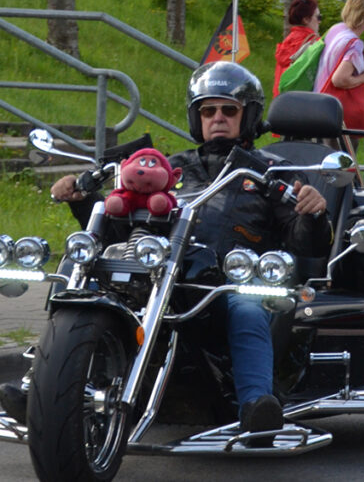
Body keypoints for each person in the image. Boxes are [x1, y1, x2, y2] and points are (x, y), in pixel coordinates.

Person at [3, 62, 332, 444]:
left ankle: (256, 406)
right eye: (209, 111)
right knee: (82, 269)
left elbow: (304, 246)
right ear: (197, 117)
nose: (218, 118)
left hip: (222, 285)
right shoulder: (169, 168)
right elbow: (121, 227)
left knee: (245, 305)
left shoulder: (273, 174)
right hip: (158, 274)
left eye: (229, 110)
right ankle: (42, 384)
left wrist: (313, 211)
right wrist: (84, 202)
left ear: (249, 116)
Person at [314, 0, 364, 133]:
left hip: (317, 104)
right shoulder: (354, 45)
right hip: (335, 114)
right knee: (341, 155)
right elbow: (339, 79)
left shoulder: (336, 29)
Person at [272, 0, 322, 98]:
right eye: (318, 17)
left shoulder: (287, 42)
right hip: (304, 103)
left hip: (281, 103)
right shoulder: (314, 44)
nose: (319, 22)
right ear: (306, 20)